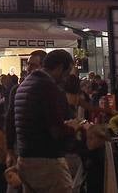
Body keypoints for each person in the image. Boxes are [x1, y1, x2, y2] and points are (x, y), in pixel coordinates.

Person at [15, 50, 79, 193]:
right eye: (67, 73)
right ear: (60, 68)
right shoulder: (48, 87)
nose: (66, 78)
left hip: (25, 159)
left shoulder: (24, 85)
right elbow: (56, 130)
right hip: (47, 162)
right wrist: (73, 127)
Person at [6, 50, 47, 163]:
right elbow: (10, 119)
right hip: (23, 148)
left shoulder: (50, 90)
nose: (28, 68)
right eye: (28, 64)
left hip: (43, 150)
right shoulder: (16, 90)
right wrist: (9, 149)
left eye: (33, 65)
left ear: (43, 67)